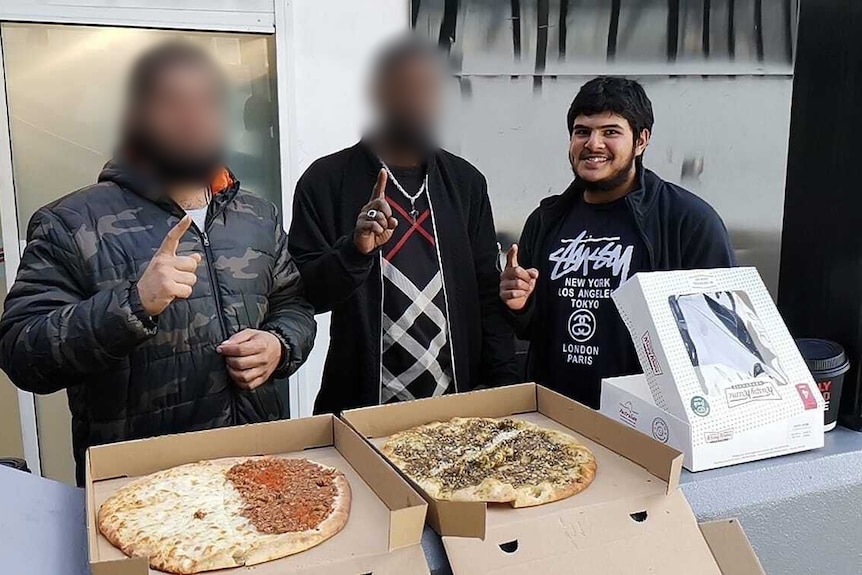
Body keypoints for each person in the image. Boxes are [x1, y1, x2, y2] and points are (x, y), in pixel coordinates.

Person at [0, 42, 316, 485]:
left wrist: (279, 344)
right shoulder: (72, 224)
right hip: (141, 487)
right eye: (172, 102)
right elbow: (21, 352)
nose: (193, 119)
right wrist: (134, 304)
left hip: (255, 469)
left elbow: (294, 304)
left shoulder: (256, 215)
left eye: (207, 102)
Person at [288, 35, 518, 414]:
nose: (419, 102)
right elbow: (304, 293)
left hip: (454, 409)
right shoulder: (326, 181)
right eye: (405, 88)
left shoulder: (465, 183)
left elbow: (486, 294)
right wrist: (354, 252)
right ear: (378, 94)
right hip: (363, 411)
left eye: (429, 89)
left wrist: (502, 386)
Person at [500, 76, 735, 409]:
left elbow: (719, 335)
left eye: (610, 132)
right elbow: (530, 329)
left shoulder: (688, 222)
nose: (593, 144)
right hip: (556, 415)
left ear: (641, 141)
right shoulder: (546, 220)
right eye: (582, 131)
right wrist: (520, 304)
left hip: (645, 419)